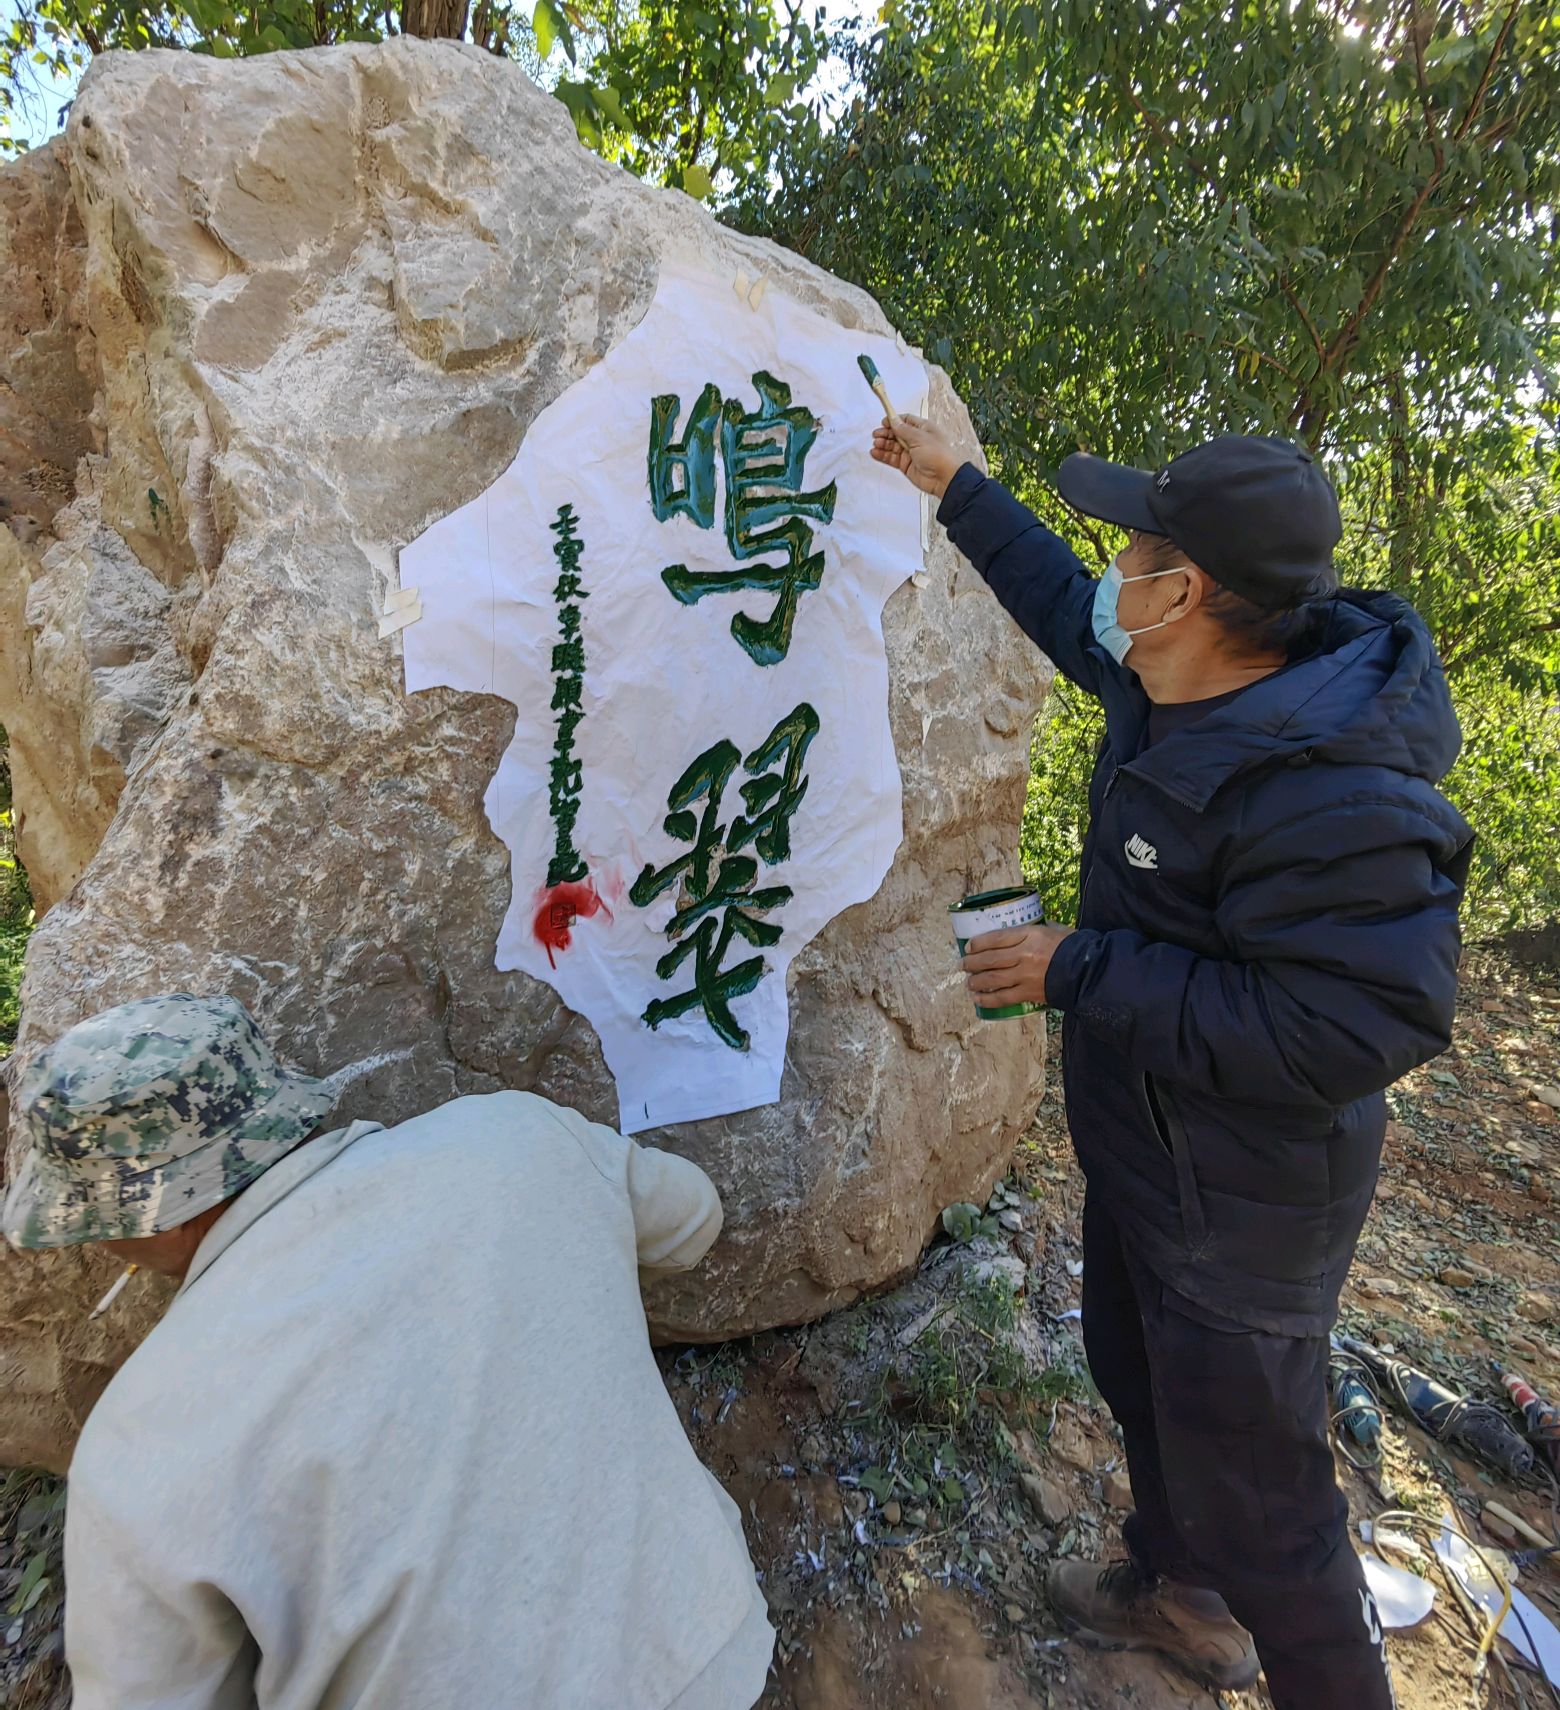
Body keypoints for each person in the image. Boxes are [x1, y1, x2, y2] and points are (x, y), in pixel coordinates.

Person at [874, 419, 1472, 1708]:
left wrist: (1074, 970)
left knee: (1273, 1512)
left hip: (1249, 1203)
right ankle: (1184, 1599)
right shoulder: (1174, 676)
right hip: (1151, 1146)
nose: (1112, 572)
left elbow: (1357, 1026)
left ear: (1184, 590)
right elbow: (1056, 601)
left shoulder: (1337, 791)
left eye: (1131, 548)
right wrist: (953, 486)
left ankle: (1304, 1658)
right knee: (1132, 1370)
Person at [3, 992, 774, 1710]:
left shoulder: (134, 1447)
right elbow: (693, 1219)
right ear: (277, 1104)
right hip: (714, 1642)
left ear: (145, 1224)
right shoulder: (517, 1136)